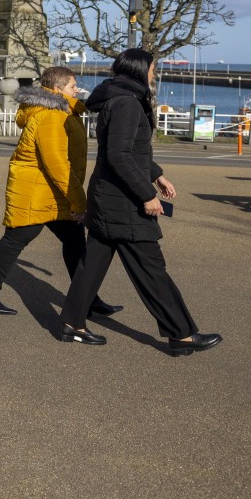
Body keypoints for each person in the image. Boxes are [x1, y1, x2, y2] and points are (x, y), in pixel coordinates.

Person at [59, 49, 222, 356]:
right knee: (151, 268)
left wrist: (157, 175)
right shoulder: (127, 103)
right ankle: (181, 335)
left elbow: (130, 151)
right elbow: (119, 155)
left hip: (109, 196)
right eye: (152, 68)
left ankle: (72, 324)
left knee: (92, 264)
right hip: (122, 201)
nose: (154, 73)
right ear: (139, 69)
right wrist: (147, 195)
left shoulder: (120, 98)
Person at [0, 66, 119, 317]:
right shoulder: (52, 115)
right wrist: (79, 201)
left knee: (75, 245)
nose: (77, 89)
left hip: (52, 193)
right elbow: (57, 164)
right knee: (14, 241)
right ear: (57, 89)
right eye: (73, 86)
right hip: (37, 193)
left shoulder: (60, 110)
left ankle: (87, 298)